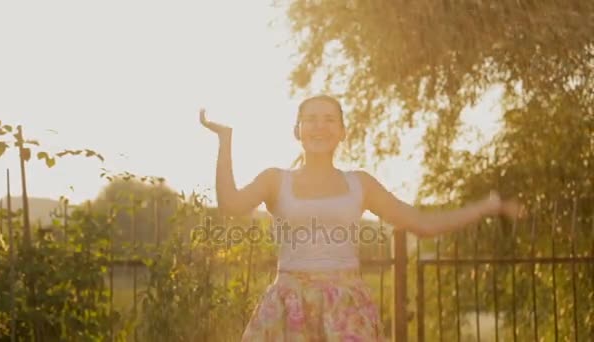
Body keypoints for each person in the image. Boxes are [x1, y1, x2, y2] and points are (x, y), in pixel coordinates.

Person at [199, 95, 524, 341]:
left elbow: (424, 224)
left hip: (346, 307)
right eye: (310, 119)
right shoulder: (275, 179)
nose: (319, 126)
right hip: (288, 305)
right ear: (297, 130)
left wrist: (487, 206)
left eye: (328, 119)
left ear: (342, 131)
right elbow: (231, 205)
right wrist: (225, 141)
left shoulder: (360, 184)